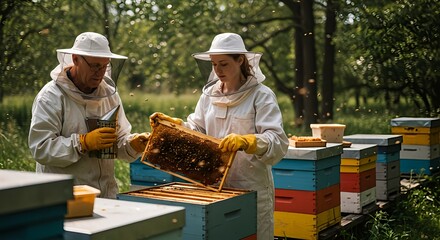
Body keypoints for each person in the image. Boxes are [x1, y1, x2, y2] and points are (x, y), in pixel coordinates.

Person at [150, 32, 289, 239]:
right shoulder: (209, 95)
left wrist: (250, 141)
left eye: (223, 64)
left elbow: (277, 141)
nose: (218, 70)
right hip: (214, 186)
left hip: (251, 187)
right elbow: (198, 131)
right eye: (214, 64)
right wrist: (178, 127)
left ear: (240, 60)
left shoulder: (261, 95)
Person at [28, 32, 149, 199]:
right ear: (76, 59)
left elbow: (116, 142)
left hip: (106, 195)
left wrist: (133, 144)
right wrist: (83, 142)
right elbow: (41, 149)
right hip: (66, 198)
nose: (100, 73)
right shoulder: (51, 97)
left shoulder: (109, 94)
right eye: (94, 66)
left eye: (105, 66)